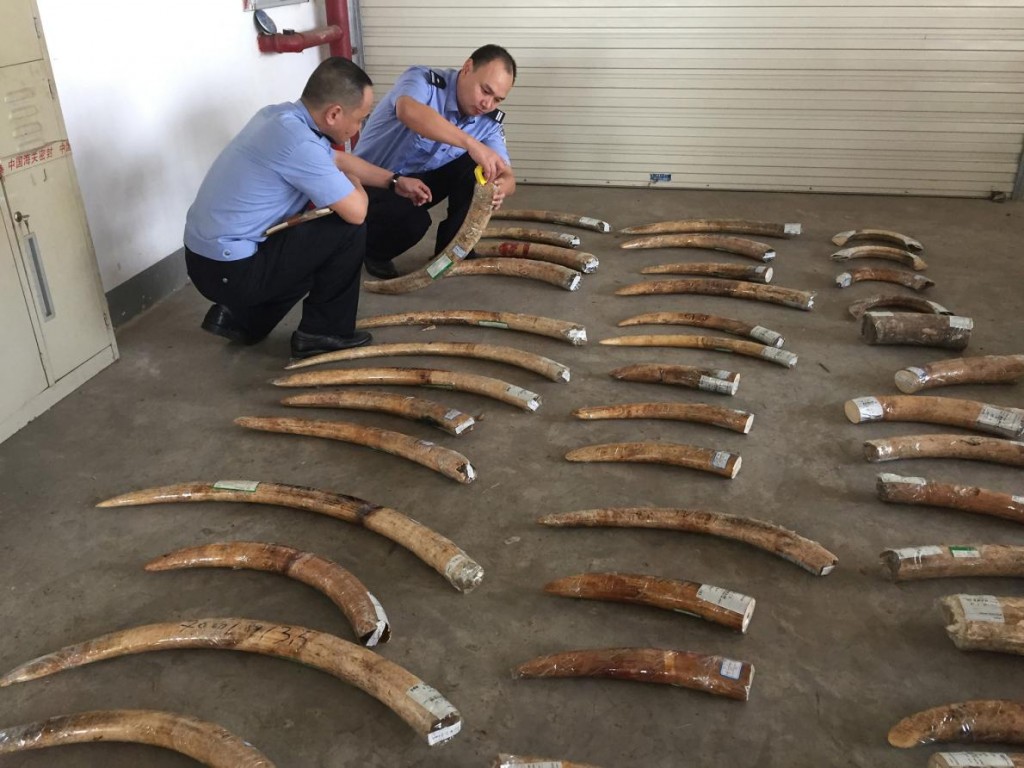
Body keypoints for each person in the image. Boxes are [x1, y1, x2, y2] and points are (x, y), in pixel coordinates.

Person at [183, 57, 431, 358]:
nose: (358, 128)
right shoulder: (300, 144)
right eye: (359, 119)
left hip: (208, 261)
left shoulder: (279, 117)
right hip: (229, 271)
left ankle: (241, 319)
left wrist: (394, 181)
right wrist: (347, 180)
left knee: (311, 247)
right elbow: (357, 211)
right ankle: (323, 333)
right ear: (334, 114)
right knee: (346, 232)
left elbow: (338, 159)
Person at [354, 44, 517, 279]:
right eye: (485, 91)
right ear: (467, 68)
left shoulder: (488, 121)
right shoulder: (422, 81)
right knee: (414, 223)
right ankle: (374, 251)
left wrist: (501, 187)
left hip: (416, 182)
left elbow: (507, 175)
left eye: (497, 99)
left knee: (481, 170)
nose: (487, 104)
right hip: (369, 182)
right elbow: (408, 111)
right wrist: (471, 144)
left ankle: (452, 250)